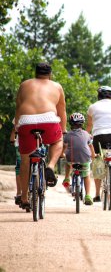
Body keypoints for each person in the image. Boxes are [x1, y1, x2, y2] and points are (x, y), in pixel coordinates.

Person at [15, 62, 67, 210]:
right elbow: (62, 111)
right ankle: (50, 166)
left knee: (25, 160)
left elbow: (18, 107)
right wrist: (63, 130)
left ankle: (24, 197)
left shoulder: (25, 84)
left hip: (26, 121)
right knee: (58, 140)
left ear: (35, 73)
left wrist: (17, 128)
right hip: (49, 120)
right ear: (50, 74)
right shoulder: (56, 86)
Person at [86, 86, 111, 202]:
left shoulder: (92, 107)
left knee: (98, 160)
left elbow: (89, 126)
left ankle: (97, 194)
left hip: (99, 137)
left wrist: (85, 136)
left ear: (99, 95)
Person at [62, 113, 96, 205]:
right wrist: (93, 155)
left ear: (70, 124)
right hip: (84, 159)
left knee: (67, 161)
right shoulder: (87, 134)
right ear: (82, 124)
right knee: (86, 175)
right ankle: (88, 195)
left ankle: (66, 178)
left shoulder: (67, 135)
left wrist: (62, 154)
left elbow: (64, 147)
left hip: (71, 159)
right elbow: (91, 147)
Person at [10, 119, 21, 206]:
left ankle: (19, 193)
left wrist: (12, 140)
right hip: (38, 143)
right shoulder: (43, 110)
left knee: (19, 168)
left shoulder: (21, 111)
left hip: (21, 144)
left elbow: (14, 129)